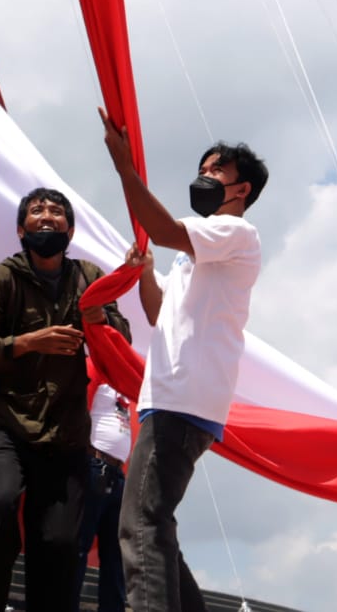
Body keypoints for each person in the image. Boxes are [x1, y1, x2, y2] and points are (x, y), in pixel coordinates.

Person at [100, 112, 268, 612]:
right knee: (157, 523)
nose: (205, 175)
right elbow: (158, 312)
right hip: (174, 396)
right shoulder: (195, 254)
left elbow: (162, 226)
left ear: (242, 189)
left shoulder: (235, 233)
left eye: (217, 169)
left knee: (140, 523)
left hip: (183, 396)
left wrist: (123, 166)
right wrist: (148, 271)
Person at [0, 187, 131, 612]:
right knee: (0, 503)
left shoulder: (88, 276)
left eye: (57, 211)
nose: (47, 216)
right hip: (7, 427)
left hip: (66, 436)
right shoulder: (2, 278)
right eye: (36, 211)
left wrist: (100, 321)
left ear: (70, 229)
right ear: (21, 228)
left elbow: (121, 340)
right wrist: (27, 342)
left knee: (61, 541)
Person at [73, 363, 131, 612]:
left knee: (116, 557)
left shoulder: (124, 381)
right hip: (95, 465)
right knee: (79, 548)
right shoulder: (93, 366)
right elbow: (78, 411)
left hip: (117, 474)